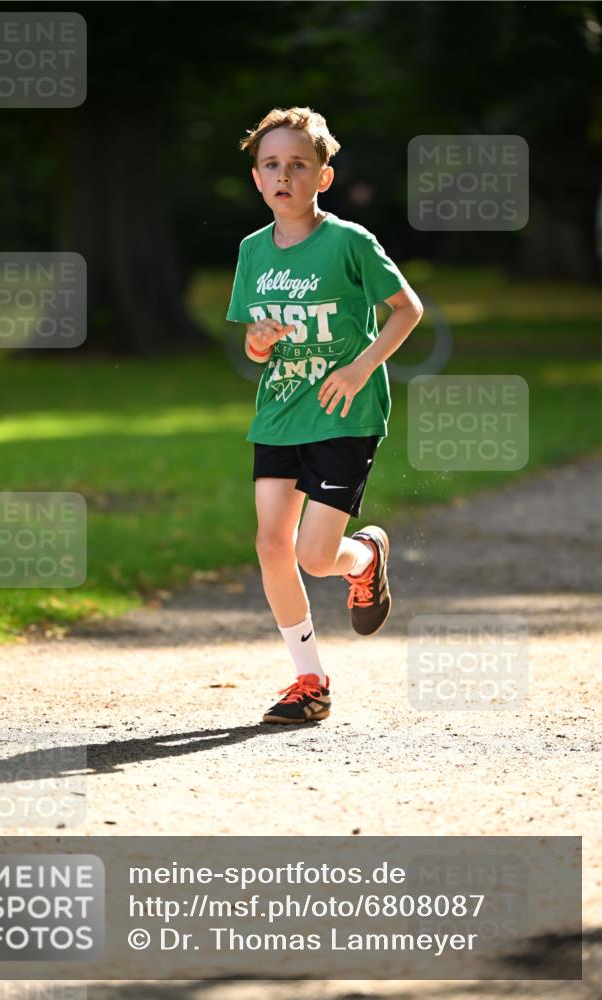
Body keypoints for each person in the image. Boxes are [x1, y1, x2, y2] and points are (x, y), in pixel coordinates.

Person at [225, 106, 423, 724]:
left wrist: (360, 368)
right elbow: (255, 344)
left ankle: (364, 556)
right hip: (281, 411)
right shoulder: (252, 251)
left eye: (298, 165)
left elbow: (406, 310)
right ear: (257, 179)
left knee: (315, 555)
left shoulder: (350, 243)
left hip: (345, 409)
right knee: (270, 544)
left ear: (323, 177)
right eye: (271, 165)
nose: (284, 175)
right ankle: (309, 681)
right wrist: (258, 341)